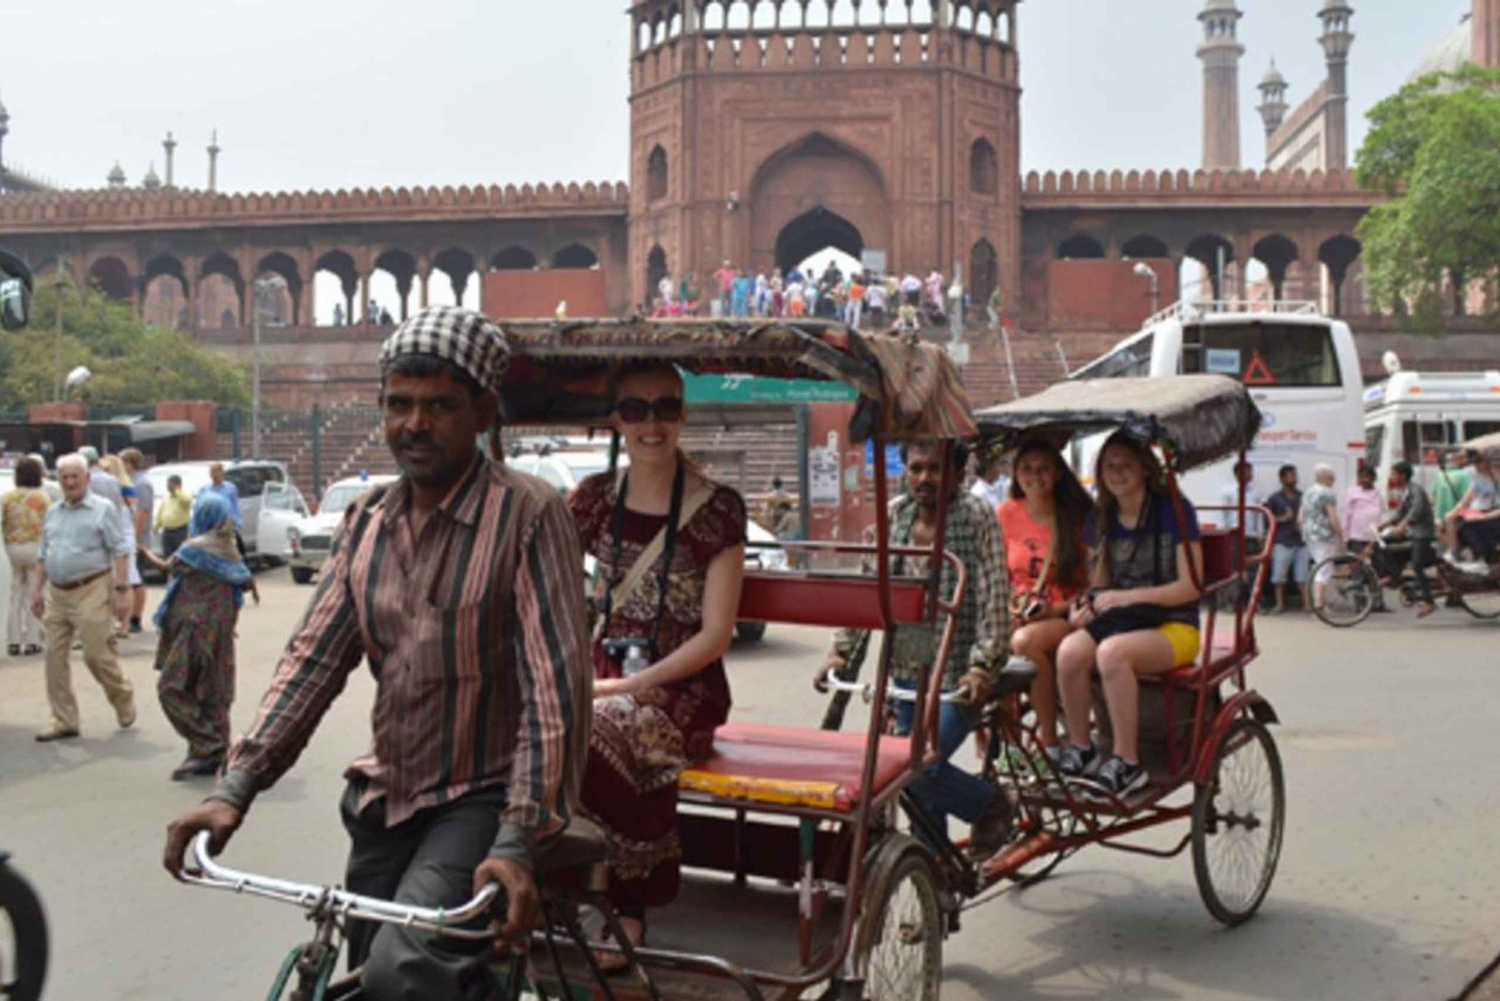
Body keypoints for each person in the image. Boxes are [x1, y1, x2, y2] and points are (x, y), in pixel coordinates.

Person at [161, 306, 592, 999]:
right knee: (363, 973)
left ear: (483, 411)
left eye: (440, 406)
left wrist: (517, 838)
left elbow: (555, 693)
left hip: (483, 797)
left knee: (404, 973)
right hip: (383, 798)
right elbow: (312, 661)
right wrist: (234, 787)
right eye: (400, 404)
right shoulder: (366, 521)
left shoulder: (529, 514)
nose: (414, 425)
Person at [566, 363, 745, 966]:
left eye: (666, 408)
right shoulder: (592, 500)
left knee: (600, 724)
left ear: (682, 415)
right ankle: (550, 876)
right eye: (637, 409)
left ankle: (627, 902)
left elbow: (717, 634)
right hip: (603, 675)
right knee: (520, 718)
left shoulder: (716, 509)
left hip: (683, 690)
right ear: (617, 419)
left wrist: (629, 684)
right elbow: (549, 587)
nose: (652, 423)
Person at [814, 441, 1013, 856]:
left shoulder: (977, 517)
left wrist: (982, 666)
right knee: (916, 784)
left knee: (915, 766)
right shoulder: (895, 515)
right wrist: (840, 652)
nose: (926, 479)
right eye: (917, 468)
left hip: (958, 671)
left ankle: (990, 804)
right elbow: (869, 592)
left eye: (936, 470)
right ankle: (933, 881)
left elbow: (995, 597)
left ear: (958, 475)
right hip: (907, 668)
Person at [1054, 433, 1204, 797]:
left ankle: (1127, 761)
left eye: (1125, 464)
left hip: (1175, 624)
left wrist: (1126, 596)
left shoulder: (1174, 511)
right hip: (1125, 622)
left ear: (1143, 468)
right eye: (1109, 466)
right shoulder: (1102, 517)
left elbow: (1191, 586)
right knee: (1070, 651)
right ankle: (1081, 747)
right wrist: (1085, 605)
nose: (1117, 473)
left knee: (1112, 653)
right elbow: (1100, 585)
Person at [138, 493, 252, 780]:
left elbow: (167, 567)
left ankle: (208, 745)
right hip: (219, 631)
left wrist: (143, 553)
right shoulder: (229, 548)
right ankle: (208, 754)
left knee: (172, 687)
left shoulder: (196, 549)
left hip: (194, 630)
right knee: (213, 692)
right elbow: (240, 589)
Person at [30, 453, 136, 742]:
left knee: (95, 655)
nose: (70, 482)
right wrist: (36, 590)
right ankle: (64, 719)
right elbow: (43, 554)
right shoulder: (53, 512)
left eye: (75, 476)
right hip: (57, 592)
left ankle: (122, 695)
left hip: (92, 588)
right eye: (64, 477)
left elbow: (120, 550)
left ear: (87, 478)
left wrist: (122, 592)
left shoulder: (103, 509)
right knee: (53, 656)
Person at [998, 439, 1093, 753]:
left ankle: (1050, 744)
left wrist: (1054, 610)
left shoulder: (1077, 518)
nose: (1034, 476)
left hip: (1065, 614)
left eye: (1043, 469)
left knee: (1025, 642)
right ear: (1016, 474)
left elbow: (1093, 585)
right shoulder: (1005, 514)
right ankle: (1006, 744)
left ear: (1056, 475)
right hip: (1015, 611)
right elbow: (997, 572)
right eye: (1026, 469)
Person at [1373, 461, 1438, 617]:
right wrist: (1386, 524)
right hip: (1412, 532)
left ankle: (1429, 602)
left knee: (1417, 566)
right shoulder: (1406, 491)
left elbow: (1416, 510)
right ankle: (1394, 576)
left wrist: (1402, 526)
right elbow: (1401, 512)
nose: (1391, 477)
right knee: (1381, 545)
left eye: (1394, 473)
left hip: (1422, 533)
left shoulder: (1416, 490)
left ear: (1402, 475)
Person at [3, 457, 52, 656]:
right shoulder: (43, 498)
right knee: (35, 592)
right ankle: (33, 639)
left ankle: (13, 639)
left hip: (13, 546)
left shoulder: (7, 497)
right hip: (36, 547)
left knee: (15, 593)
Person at [1299, 464, 1345, 611]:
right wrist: (1341, 534)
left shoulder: (1308, 492)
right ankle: (1319, 603)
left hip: (1309, 534)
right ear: (1326, 478)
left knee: (1319, 566)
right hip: (1325, 535)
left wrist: (1304, 529)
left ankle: (1317, 601)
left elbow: (1300, 516)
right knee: (1324, 568)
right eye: (1332, 478)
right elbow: (1333, 517)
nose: (1334, 480)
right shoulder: (1328, 493)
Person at [1344, 464, 1389, 611]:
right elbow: (1347, 515)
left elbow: (1383, 513)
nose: (1363, 480)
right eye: (1361, 477)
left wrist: (1382, 533)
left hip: (1374, 537)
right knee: (1358, 569)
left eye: (1367, 476)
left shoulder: (1378, 494)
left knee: (1377, 570)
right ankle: (1359, 604)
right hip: (1356, 536)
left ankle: (1378, 602)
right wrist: (1346, 536)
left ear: (1373, 478)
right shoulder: (1352, 492)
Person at [1443, 448, 1500, 564]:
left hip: (1490, 514)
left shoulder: (1496, 479)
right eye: (1474, 464)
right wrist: (1454, 512)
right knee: (1452, 520)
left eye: (1479, 464)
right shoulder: (1478, 479)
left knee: (1466, 525)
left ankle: (1480, 557)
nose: (1476, 467)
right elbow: (1467, 499)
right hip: (1480, 512)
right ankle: (1455, 553)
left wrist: (1483, 516)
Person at [120, 449, 155, 632]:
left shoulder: (141, 484)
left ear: (129, 463)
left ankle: (136, 617)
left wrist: (135, 537)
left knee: (137, 580)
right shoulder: (132, 482)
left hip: (138, 540)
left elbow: (143, 512)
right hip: (132, 539)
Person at [1266, 464, 1308, 613]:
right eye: (1291, 475)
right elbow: (1267, 520)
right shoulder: (1274, 498)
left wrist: (1302, 524)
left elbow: (1309, 516)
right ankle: (1279, 604)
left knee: (1302, 576)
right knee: (1278, 576)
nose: (1295, 478)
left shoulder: (1303, 497)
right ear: (1282, 478)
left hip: (1301, 542)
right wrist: (1282, 519)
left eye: (1295, 475)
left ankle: (1307, 605)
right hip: (1282, 541)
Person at [155, 474, 194, 558]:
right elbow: (161, 512)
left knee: (180, 557)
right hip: (167, 532)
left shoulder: (184, 495)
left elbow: (187, 501)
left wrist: (177, 491)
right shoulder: (166, 497)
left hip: (180, 532)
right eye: (168, 485)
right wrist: (156, 525)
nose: (168, 487)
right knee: (167, 556)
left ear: (178, 485)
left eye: (170, 485)